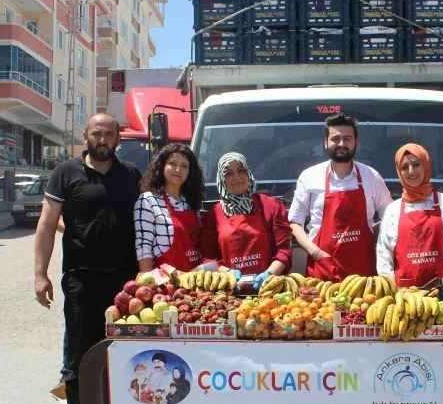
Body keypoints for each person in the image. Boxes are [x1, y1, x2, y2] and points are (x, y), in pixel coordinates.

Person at [34, 112, 141, 404]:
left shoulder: (131, 175)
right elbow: (48, 224)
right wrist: (40, 274)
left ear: (118, 139)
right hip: (81, 278)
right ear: (86, 136)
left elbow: (147, 225)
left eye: (110, 134)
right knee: (81, 356)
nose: (103, 140)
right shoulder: (66, 172)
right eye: (97, 133)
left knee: (124, 357)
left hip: (126, 284)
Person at [289, 113, 392, 281]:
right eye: (335, 138)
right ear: (325, 142)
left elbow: (391, 217)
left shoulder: (371, 176)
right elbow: (294, 222)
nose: (341, 144)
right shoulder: (309, 177)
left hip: (363, 275)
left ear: (356, 142)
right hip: (321, 271)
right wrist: (316, 253)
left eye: (347, 138)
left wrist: (369, 230)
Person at [376, 143, 443, 292]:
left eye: (416, 164)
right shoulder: (392, 210)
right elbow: (384, 256)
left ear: (426, 165)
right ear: (399, 172)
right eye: (404, 167)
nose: (411, 171)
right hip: (403, 298)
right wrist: (392, 292)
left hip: (442, 293)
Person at [200, 152, 292, 290]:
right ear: (221, 179)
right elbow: (207, 259)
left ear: (249, 173)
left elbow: (284, 250)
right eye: (229, 173)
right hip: (229, 291)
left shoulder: (271, 206)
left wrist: (269, 275)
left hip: (269, 290)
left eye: (241, 170)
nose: (237, 177)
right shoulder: (213, 214)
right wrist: (228, 274)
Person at [134, 143, 206, 272]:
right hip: (165, 284)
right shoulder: (148, 200)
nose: (178, 170)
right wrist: (148, 283)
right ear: (162, 166)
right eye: (172, 163)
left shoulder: (190, 202)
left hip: (195, 280)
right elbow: (144, 245)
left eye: (184, 166)